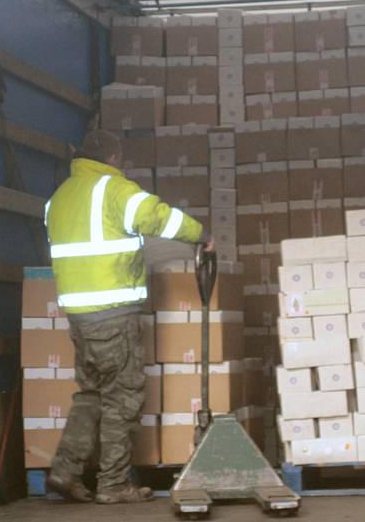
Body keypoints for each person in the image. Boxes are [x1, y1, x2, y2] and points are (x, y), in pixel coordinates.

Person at [44, 129, 214, 505]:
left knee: (90, 395)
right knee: (122, 399)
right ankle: (114, 483)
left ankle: (65, 470)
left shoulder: (59, 198)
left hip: (79, 317)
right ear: (114, 159)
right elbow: (157, 218)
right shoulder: (113, 190)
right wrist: (200, 235)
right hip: (113, 314)